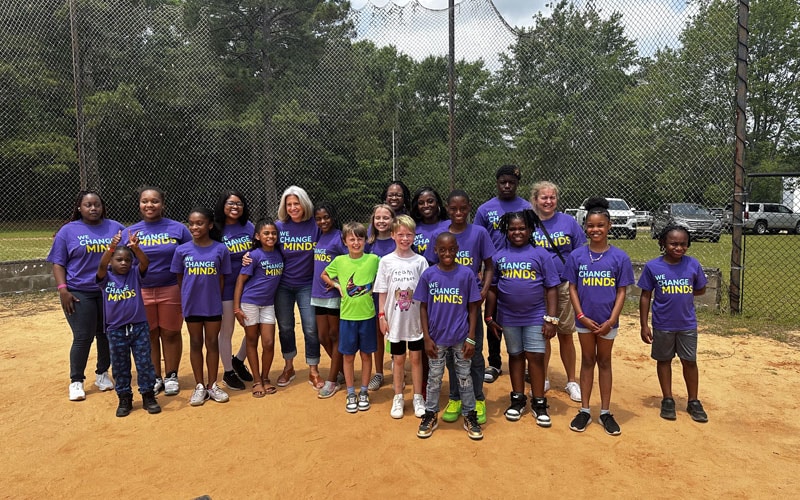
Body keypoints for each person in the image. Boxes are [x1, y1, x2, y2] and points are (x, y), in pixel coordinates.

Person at [564, 197, 634, 435]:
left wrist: (611, 320)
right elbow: (572, 287)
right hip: (585, 320)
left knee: (604, 361)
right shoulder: (577, 256)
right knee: (587, 360)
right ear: (585, 227)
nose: (595, 230)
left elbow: (621, 291)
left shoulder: (619, 257)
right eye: (591, 226)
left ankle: (605, 412)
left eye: (600, 225)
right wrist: (581, 315)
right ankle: (584, 410)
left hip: (607, 321)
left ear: (609, 226)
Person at [424, 190, 494, 425]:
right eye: (453, 209)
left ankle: (477, 398)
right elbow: (431, 267)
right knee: (451, 355)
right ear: (447, 208)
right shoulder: (439, 234)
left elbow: (489, 266)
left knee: (472, 351)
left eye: (463, 208)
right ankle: (455, 397)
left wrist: (483, 290)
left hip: (470, 302)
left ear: (469, 207)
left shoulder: (479, 233)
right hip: (446, 304)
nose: (458, 213)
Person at [485, 210, 561, 427]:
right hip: (508, 317)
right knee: (515, 356)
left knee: (535, 357)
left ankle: (539, 402)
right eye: (512, 229)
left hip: (535, 316)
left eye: (522, 228)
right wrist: (489, 316)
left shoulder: (541, 255)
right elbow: (492, 289)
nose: (517, 232)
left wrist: (551, 319)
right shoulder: (499, 256)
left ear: (530, 230)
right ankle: (517, 399)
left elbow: (552, 288)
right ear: (505, 231)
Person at [48, 190, 125, 401]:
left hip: (109, 290)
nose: (93, 208)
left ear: (102, 207)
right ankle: (76, 381)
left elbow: (128, 255)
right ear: (79, 208)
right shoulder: (68, 231)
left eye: (97, 204)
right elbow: (58, 263)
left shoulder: (116, 228)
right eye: (88, 205)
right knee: (83, 336)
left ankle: (102, 373)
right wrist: (63, 289)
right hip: (79, 291)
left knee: (106, 334)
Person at [413, 232, 483, 440]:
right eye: (442, 249)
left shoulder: (466, 274)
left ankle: (470, 414)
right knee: (434, 378)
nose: (447, 253)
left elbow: (473, 307)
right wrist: (426, 337)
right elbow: (423, 307)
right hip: (436, 339)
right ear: (435, 250)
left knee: (464, 377)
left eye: (451, 249)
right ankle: (430, 413)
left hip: (460, 337)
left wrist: (471, 337)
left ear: (457, 250)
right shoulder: (429, 275)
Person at [638, 224, 709, 423]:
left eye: (683, 244)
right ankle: (667, 399)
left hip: (687, 324)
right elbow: (645, 295)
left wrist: (682, 290)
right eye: (673, 244)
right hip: (663, 324)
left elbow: (701, 288)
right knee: (664, 360)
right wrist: (644, 325)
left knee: (689, 361)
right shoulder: (653, 267)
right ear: (663, 243)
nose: (678, 248)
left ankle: (693, 400)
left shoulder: (692, 264)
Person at [126, 186, 192, 397]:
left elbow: (192, 254)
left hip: (171, 287)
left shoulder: (178, 229)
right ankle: (155, 376)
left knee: (171, 332)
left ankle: (171, 375)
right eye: (145, 201)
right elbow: (123, 262)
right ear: (139, 204)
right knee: (150, 334)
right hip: (142, 290)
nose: (149, 205)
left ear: (162, 204)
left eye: (154, 201)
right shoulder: (131, 231)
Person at [475, 165, 531, 383]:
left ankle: (525, 363)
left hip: (519, 268)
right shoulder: (485, 209)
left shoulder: (526, 207)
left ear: (517, 184)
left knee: (523, 316)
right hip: (493, 269)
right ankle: (495, 362)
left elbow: (532, 236)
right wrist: (479, 270)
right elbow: (477, 240)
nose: (507, 186)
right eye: (503, 182)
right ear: (497, 183)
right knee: (493, 316)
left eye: (511, 182)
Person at [170, 207, 232, 406]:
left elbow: (221, 279)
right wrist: (188, 296)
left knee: (212, 343)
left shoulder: (220, 249)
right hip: (192, 304)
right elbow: (180, 278)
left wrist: (213, 296)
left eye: (199, 223)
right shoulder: (182, 250)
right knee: (196, 343)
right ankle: (199, 386)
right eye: (191, 223)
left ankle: (212, 385)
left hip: (212, 304)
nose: (194, 227)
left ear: (210, 225)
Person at [96, 229, 161, 417]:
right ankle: (124, 397)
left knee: (144, 363)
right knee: (120, 366)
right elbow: (101, 265)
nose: (124, 263)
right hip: (116, 330)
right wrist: (111, 248)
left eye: (127, 260)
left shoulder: (134, 274)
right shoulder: (105, 277)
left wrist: (136, 249)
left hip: (139, 327)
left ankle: (148, 395)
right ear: (111, 261)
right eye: (119, 259)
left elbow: (145, 263)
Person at [531, 181, 585, 402]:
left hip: (563, 284)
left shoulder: (568, 222)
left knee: (565, 333)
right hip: (537, 286)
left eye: (552, 197)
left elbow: (580, 252)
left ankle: (571, 380)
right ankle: (542, 377)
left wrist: (578, 280)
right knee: (542, 334)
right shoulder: (529, 222)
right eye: (544, 197)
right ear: (535, 200)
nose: (548, 201)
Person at [321, 222, 380, 414]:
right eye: (352, 239)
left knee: (366, 355)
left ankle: (363, 391)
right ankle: (351, 392)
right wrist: (337, 285)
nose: (356, 243)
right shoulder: (339, 261)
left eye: (360, 238)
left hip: (368, 316)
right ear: (345, 241)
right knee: (348, 356)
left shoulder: (373, 259)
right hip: (347, 317)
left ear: (365, 240)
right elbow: (324, 275)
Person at [374, 215, 429, 419]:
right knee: (398, 360)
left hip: (415, 321)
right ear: (392, 235)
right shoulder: (386, 261)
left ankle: (417, 397)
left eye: (409, 235)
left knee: (416, 358)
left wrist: (426, 320)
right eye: (400, 235)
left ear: (414, 236)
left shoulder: (420, 261)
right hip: (394, 321)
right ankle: (398, 396)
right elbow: (382, 292)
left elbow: (426, 293)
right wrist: (382, 316)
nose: (405, 239)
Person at [274, 186, 323, 389]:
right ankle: (289, 367)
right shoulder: (279, 226)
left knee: (311, 327)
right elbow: (265, 246)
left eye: (297, 203)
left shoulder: (315, 225)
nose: (293, 208)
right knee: (285, 327)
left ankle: (313, 369)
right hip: (283, 285)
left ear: (304, 204)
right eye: (289, 204)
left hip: (307, 284)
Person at [233, 219, 283, 398]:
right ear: (257, 236)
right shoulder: (254, 256)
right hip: (250, 302)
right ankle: (256, 380)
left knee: (268, 342)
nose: (270, 236)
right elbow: (240, 281)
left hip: (268, 304)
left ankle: (265, 377)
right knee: (252, 340)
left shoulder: (279, 253)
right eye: (266, 233)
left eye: (274, 233)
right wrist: (237, 308)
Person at [214, 190, 255, 391]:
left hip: (250, 284)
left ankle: (238, 360)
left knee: (253, 326)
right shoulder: (216, 228)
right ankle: (228, 371)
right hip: (227, 285)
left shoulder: (248, 227)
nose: (235, 207)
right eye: (230, 203)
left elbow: (259, 247)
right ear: (223, 205)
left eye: (239, 203)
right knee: (227, 329)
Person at [311, 202, 347, 399]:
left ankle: (332, 379)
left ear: (333, 217)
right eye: (318, 218)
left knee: (335, 335)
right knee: (323, 336)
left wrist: (337, 283)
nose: (323, 221)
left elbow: (349, 262)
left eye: (326, 217)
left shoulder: (339, 237)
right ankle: (342, 369)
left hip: (332, 293)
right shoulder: (319, 235)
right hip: (317, 292)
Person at [366, 203, 397, 391]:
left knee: (396, 333)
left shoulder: (397, 241)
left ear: (393, 220)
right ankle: (378, 373)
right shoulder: (369, 243)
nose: (381, 221)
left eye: (386, 217)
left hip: (395, 296)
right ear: (373, 220)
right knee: (378, 334)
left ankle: (397, 368)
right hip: (374, 296)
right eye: (378, 218)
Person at [409, 186, 448, 257]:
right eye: (421, 203)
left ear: (437, 203)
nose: (426, 205)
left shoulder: (449, 225)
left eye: (430, 201)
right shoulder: (413, 228)